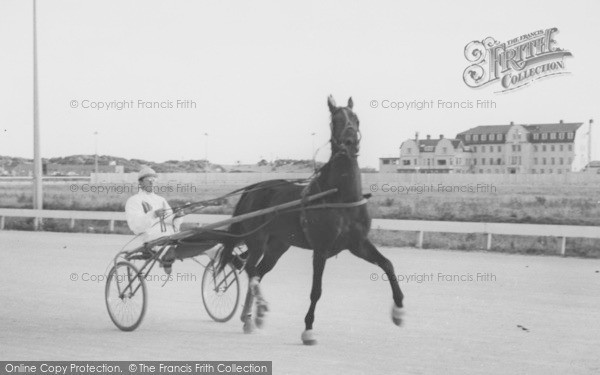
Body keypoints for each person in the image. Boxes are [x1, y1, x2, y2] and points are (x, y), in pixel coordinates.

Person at [125, 166, 184, 274]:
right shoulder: (134, 200)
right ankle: (167, 258)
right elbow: (135, 225)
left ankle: (168, 256)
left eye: (154, 180)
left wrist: (178, 216)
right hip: (150, 236)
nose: (152, 183)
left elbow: (170, 219)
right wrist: (153, 215)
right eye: (148, 180)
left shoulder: (161, 200)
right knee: (167, 240)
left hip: (168, 234)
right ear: (141, 183)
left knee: (184, 237)